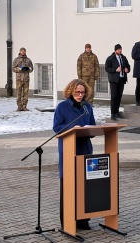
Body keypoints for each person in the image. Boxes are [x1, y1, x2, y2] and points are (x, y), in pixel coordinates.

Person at [53, 79, 96, 230]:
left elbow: (92, 125)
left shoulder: (87, 107)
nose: (80, 95)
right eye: (77, 92)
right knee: (68, 187)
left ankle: (83, 221)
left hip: (85, 149)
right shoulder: (62, 107)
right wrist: (73, 127)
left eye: (83, 92)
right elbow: (57, 127)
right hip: (69, 151)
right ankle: (67, 222)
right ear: (70, 91)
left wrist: (90, 130)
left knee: (84, 188)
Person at [105, 44, 130, 121]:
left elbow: (128, 66)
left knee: (119, 96)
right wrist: (115, 70)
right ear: (115, 50)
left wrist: (127, 69)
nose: (120, 50)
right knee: (114, 96)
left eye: (120, 49)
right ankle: (113, 113)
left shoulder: (123, 57)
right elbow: (107, 68)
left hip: (122, 79)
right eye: (118, 49)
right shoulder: (110, 58)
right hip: (114, 80)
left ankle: (117, 112)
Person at [12, 47, 34, 111]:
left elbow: (32, 68)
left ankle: (24, 106)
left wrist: (28, 69)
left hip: (26, 79)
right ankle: (19, 106)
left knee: (25, 93)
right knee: (19, 93)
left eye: (24, 51)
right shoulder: (16, 60)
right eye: (22, 51)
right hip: (19, 79)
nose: (23, 52)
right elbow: (13, 68)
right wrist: (19, 69)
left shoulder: (28, 60)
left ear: (25, 52)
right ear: (20, 52)